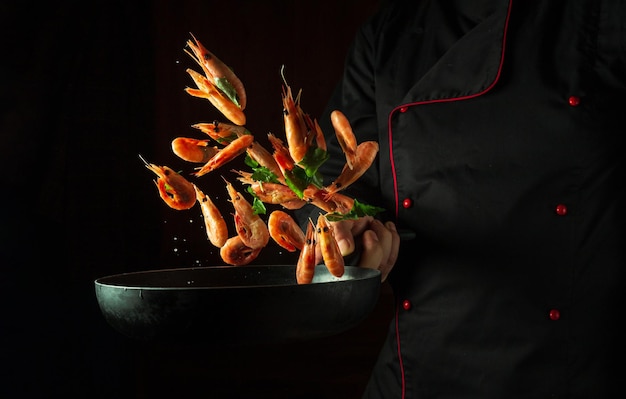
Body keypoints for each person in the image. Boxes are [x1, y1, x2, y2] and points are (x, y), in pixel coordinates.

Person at [295, 0, 626, 397]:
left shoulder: (606, 16)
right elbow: (336, 177)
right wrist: (340, 227)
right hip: (421, 369)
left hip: (574, 370)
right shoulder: (390, 33)